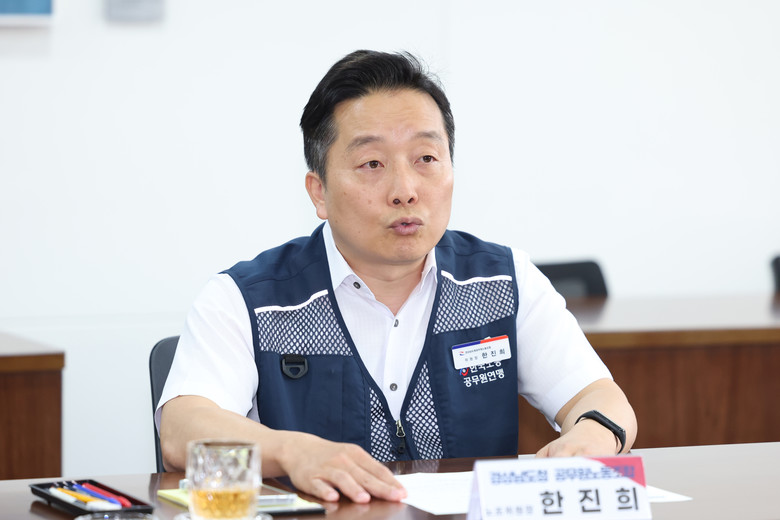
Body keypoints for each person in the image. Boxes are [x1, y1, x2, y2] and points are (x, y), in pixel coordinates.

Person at [157, 49, 637, 504]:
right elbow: (181, 428)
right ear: (319, 192)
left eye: (426, 159)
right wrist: (292, 451)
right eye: (372, 164)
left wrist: (594, 435)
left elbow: (598, 396)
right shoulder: (248, 299)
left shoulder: (503, 282)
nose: (405, 190)